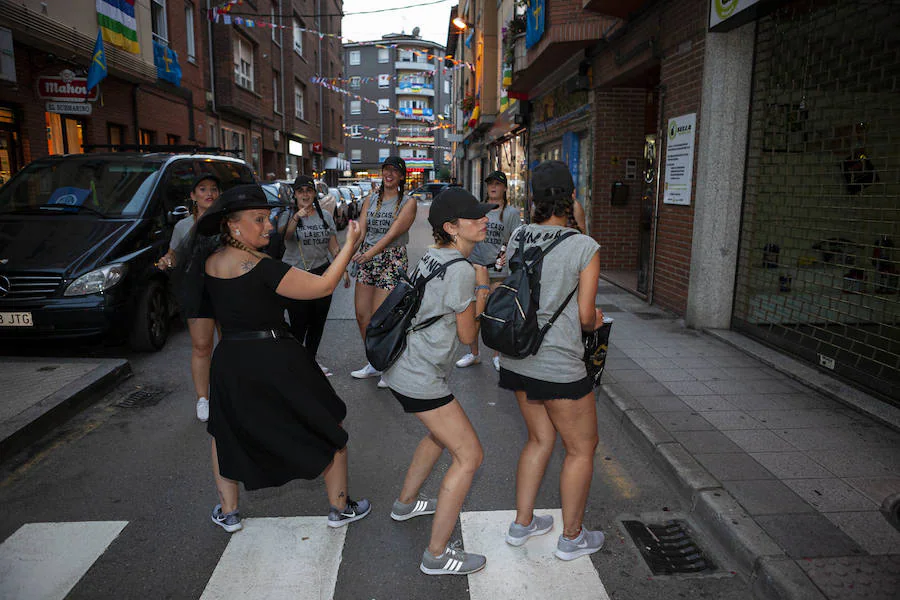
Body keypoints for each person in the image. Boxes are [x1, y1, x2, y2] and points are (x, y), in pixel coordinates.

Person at [192, 184, 370, 533]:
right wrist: (349, 245)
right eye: (258, 220)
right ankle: (339, 507)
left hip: (230, 360)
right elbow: (322, 287)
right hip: (275, 357)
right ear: (232, 225)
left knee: (224, 433)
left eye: (268, 218)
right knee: (327, 424)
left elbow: (204, 325)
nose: (269, 226)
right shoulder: (261, 267)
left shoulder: (210, 263)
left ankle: (229, 511)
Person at [381, 188, 493, 576]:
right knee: (470, 455)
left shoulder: (434, 255)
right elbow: (467, 336)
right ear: (451, 227)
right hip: (421, 375)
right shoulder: (461, 269)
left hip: (404, 368)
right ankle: (436, 554)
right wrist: (482, 289)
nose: (483, 220)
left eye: (483, 214)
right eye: (474, 216)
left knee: (437, 436)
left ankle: (406, 503)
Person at [498, 161, 604, 560]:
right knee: (582, 447)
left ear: (533, 199)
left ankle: (522, 523)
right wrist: (598, 319)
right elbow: (584, 315)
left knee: (539, 439)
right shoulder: (584, 247)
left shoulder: (521, 234)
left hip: (518, 358)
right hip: (559, 365)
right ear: (571, 197)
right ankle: (572, 536)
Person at [157, 174, 220, 422]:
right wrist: (166, 261)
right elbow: (174, 255)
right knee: (202, 346)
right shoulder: (183, 226)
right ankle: (203, 399)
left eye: (213, 189)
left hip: (227, 288)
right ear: (193, 196)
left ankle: (231, 392)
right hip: (196, 290)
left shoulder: (225, 221)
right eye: (202, 189)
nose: (209, 193)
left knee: (230, 346)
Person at [349, 156, 417, 388]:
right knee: (361, 315)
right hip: (368, 257)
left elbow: (392, 235)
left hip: (391, 258)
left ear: (401, 176)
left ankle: (388, 366)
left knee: (381, 317)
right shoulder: (371, 199)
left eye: (394, 171)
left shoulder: (408, 202)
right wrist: (349, 256)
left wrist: (369, 254)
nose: (389, 174)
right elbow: (361, 232)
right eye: (386, 170)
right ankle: (374, 362)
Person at [281, 175, 350, 376]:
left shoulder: (325, 216)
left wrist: (342, 267)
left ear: (314, 193)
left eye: (308, 190)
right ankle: (295, 363)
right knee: (299, 322)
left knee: (318, 322)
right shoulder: (289, 215)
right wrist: (297, 217)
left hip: (321, 272)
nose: (305, 194)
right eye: (300, 191)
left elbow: (334, 246)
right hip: (296, 274)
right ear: (295, 195)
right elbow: (286, 236)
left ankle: (310, 361)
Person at [455, 170, 521, 372]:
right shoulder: (477, 209)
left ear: (504, 188)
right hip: (475, 267)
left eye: (497, 184)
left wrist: (508, 257)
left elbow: (515, 241)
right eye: (490, 184)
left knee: (495, 315)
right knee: (473, 314)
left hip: (499, 272)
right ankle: (474, 354)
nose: (493, 187)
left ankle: (497, 355)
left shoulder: (511, 213)